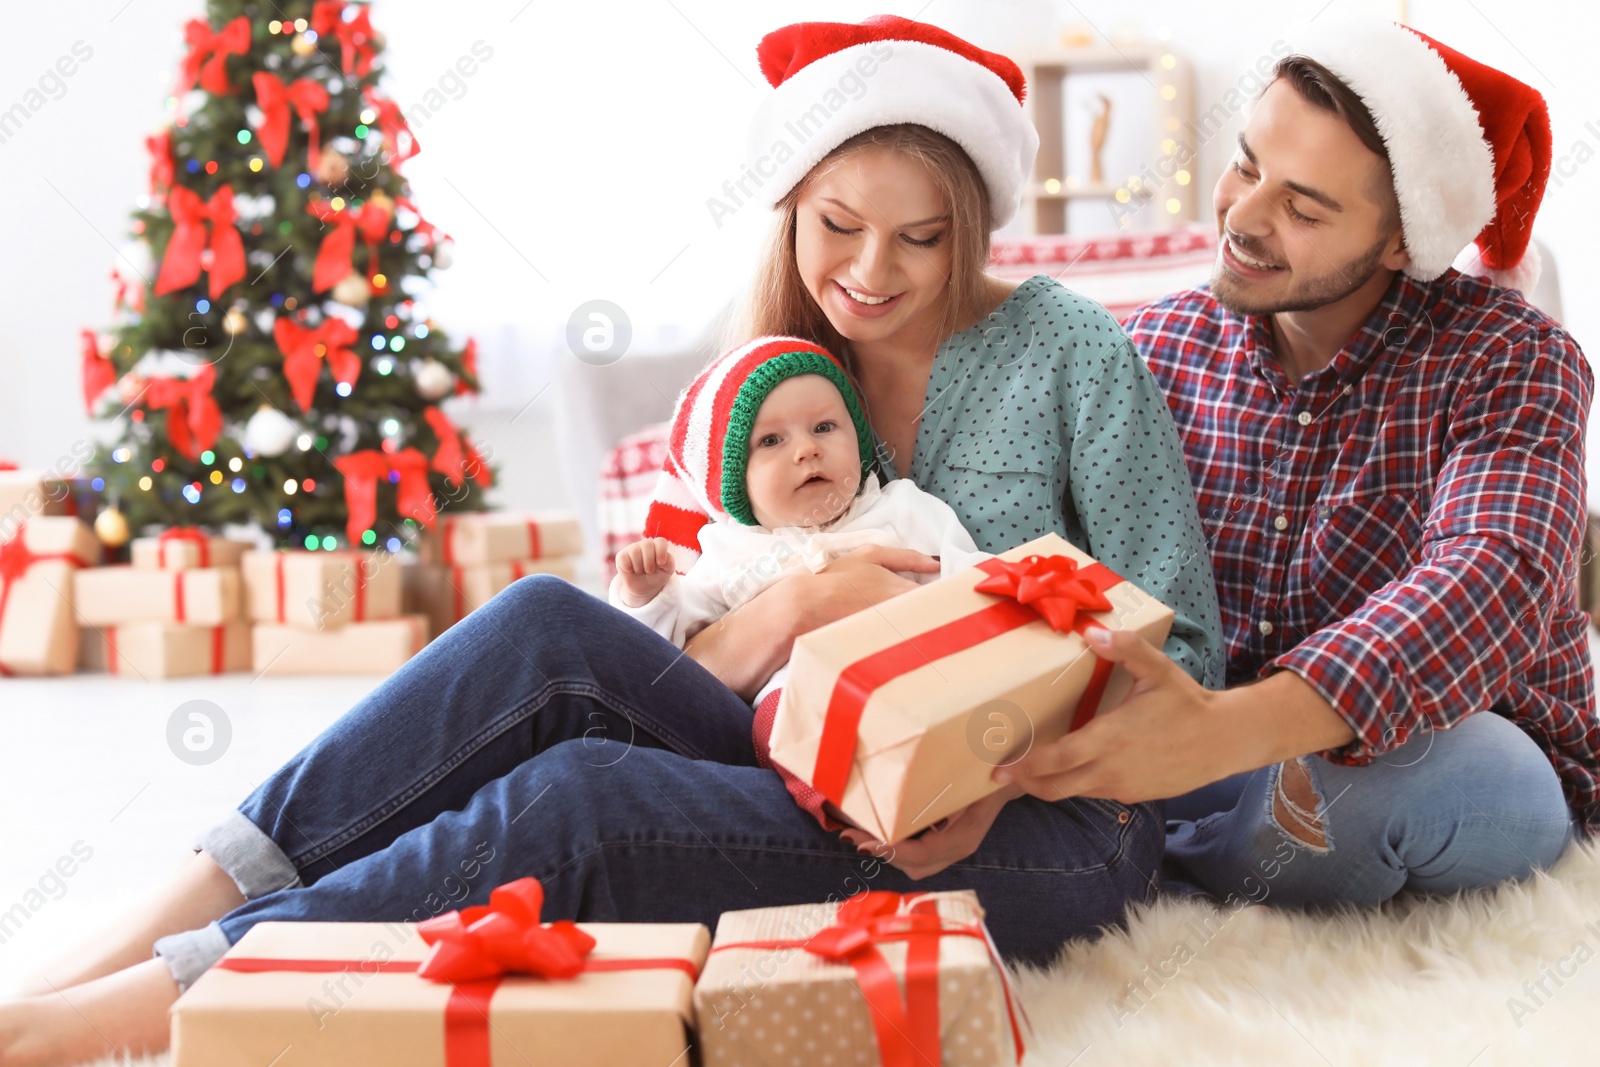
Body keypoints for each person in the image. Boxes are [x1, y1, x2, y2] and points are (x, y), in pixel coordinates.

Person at [0, 15, 1223, 1065]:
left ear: (972, 228)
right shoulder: (784, 376)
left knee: (583, 798)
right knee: (543, 623)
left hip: (1048, 826)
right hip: (802, 755)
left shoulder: (1068, 348)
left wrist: (999, 773)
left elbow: (1191, 656)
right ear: (792, 208)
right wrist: (796, 608)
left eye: (921, 238)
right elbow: (712, 639)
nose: (870, 271)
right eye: (840, 224)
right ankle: (176, 902)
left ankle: (153, 998)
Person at [1000, 16, 1597, 911]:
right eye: (1245, 164)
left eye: (1303, 207)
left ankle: (1157, 857)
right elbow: (1063, 554)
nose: (1241, 216)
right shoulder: (1154, 346)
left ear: (1403, 240)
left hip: (1449, 751)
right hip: (1204, 749)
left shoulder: (1512, 358)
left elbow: (1495, 571)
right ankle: (1164, 839)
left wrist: (1224, 731)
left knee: (1432, 770)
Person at [611, 335, 989, 709]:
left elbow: (976, 575)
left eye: (824, 427)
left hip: (920, 677)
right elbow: (664, 648)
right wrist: (645, 596)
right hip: (802, 705)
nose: (807, 449)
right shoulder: (727, 554)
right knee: (784, 712)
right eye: (772, 440)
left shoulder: (902, 508)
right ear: (735, 484)